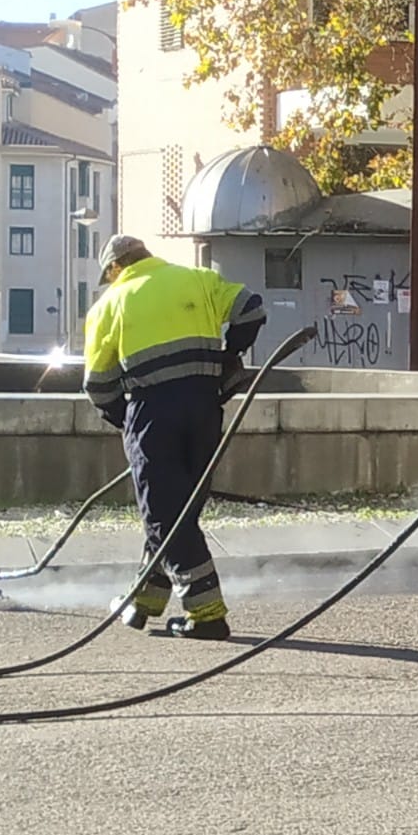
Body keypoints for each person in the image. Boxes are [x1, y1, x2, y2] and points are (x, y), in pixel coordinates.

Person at [82, 235, 266, 640]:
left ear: (115, 268)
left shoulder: (110, 304)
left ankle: (207, 613)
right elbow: (251, 309)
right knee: (179, 506)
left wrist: (124, 420)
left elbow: (98, 385)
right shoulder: (197, 279)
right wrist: (228, 357)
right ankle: (144, 600)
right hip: (204, 409)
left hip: (152, 412)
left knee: (165, 513)